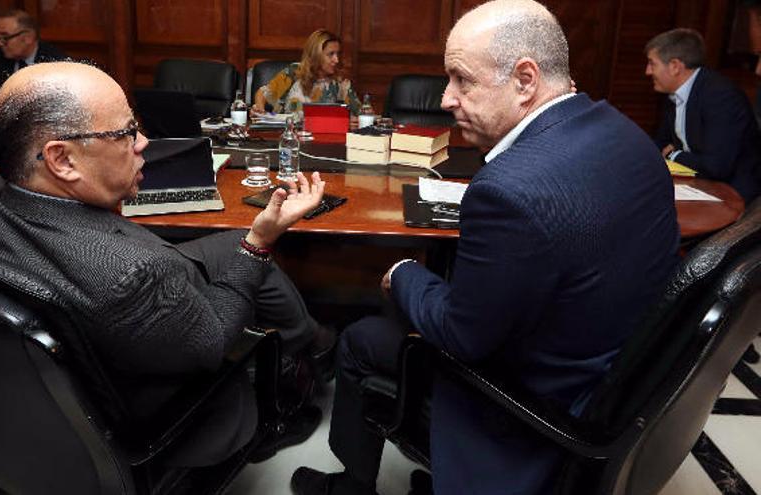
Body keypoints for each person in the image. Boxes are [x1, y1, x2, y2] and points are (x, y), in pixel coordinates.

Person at [291, 1, 680, 494]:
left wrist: (404, 272)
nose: (447, 99)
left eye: (462, 80)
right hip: (615, 375)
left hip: (535, 404)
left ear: (524, 80)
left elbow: (462, 336)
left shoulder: (509, 190)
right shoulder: (627, 134)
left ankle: (351, 485)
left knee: (363, 338)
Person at [0, 61, 333, 467]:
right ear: (62, 160)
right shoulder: (134, 272)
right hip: (152, 418)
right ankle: (294, 377)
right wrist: (259, 243)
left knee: (231, 242)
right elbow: (213, 341)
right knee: (247, 251)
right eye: (124, 133)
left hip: (4, 412)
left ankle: (308, 340)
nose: (143, 142)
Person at [645, 28, 761, 203]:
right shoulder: (673, 94)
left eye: (652, 64)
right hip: (696, 184)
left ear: (675, 66)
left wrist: (674, 155)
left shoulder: (721, 96)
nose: (647, 71)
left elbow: (717, 167)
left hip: (732, 195)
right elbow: (660, 144)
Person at [0, 9, 66, 115]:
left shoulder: (54, 62)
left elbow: (48, 108)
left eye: (5, 37)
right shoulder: (0, 57)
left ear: (28, 38)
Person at [252, 29, 360, 115]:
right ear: (316, 55)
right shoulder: (295, 72)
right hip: (292, 135)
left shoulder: (340, 80)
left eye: (338, 54)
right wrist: (261, 112)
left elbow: (360, 112)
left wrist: (356, 119)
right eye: (331, 54)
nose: (336, 60)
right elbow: (262, 94)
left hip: (324, 137)